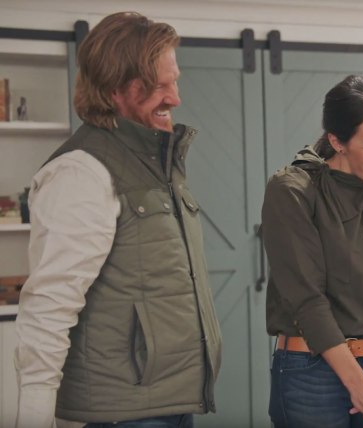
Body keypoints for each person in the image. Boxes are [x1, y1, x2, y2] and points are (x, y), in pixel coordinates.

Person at [15, 12, 222, 428]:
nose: (175, 98)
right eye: (159, 86)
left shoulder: (157, 163)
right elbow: (48, 310)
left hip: (173, 400)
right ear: (115, 89)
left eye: (174, 81)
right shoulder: (81, 172)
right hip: (124, 413)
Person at [261, 75, 363, 427]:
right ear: (337, 141)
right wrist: (357, 383)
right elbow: (307, 299)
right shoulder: (294, 190)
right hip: (309, 373)